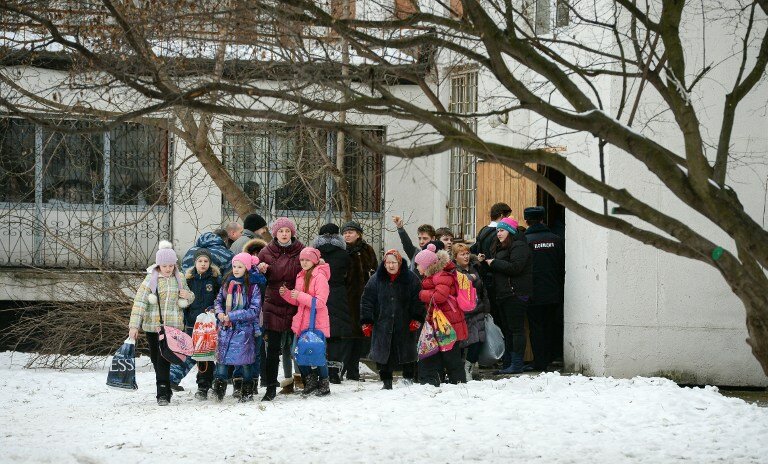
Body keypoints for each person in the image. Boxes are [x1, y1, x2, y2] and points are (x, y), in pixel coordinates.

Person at [128, 240, 194, 406]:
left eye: (171, 265)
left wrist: (188, 296)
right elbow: (139, 303)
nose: (168, 268)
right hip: (152, 327)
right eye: (165, 265)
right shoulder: (151, 280)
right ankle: (165, 386)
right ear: (158, 265)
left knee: (164, 359)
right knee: (156, 358)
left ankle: (162, 394)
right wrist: (134, 326)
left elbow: (189, 297)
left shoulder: (179, 278)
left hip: (172, 328)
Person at [360, 249, 424, 389]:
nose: (390, 266)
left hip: (405, 324)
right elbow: (367, 300)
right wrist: (367, 321)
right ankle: (386, 382)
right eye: (387, 262)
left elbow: (418, 300)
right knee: (384, 354)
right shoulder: (376, 279)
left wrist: (416, 318)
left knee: (407, 352)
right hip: (382, 323)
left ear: (399, 263)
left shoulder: (411, 278)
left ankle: (408, 379)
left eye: (393, 262)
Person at [257, 217, 305, 401]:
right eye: (280, 231)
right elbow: (257, 278)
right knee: (273, 347)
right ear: (275, 233)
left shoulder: (301, 250)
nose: (284, 234)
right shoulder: (266, 251)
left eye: (287, 231)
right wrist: (261, 270)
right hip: (274, 301)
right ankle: (270, 386)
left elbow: (311, 269)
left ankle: (306, 380)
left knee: (300, 345)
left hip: (295, 300)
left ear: (292, 233)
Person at [482, 217, 532, 374]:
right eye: (497, 230)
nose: (498, 233)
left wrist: (494, 263)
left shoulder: (519, 246)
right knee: (508, 330)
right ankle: (508, 362)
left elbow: (516, 267)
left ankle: (516, 364)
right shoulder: (500, 248)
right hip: (503, 294)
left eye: (502, 230)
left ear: (510, 231)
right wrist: (486, 262)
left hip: (515, 294)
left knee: (516, 330)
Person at [280, 247, 332, 396]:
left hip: (316, 323)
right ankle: (310, 381)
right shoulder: (300, 276)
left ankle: (324, 382)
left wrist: (300, 295)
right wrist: (287, 294)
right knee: (296, 353)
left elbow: (321, 302)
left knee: (317, 354)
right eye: (302, 259)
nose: (304, 262)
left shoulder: (320, 276)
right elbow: (298, 301)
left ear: (314, 261)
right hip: (302, 323)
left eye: (307, 259)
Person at [169, 248, 221, 399]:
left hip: (209, 325)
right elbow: (183, 302)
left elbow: (220, 299)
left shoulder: (215, 279)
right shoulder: (188, 280)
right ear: (195, 263)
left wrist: (214, 310)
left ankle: (204, 386)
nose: (203, 264)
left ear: (210, 263)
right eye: (200, 261)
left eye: (206, 261)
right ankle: (175, 379)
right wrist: (185, 319)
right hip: (193, 324)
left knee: (206, 354)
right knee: (191, 354)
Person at [414, 243, 467, 386]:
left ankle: (459, 382)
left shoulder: (440, 275)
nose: (417, 268)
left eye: (418, 265)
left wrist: (421, 294)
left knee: (451, 355)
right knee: (442, 354)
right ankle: (441, 381)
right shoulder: (433, 276)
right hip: (441, 323)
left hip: (449, 323)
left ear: (427, 265)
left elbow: (439, 297)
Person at [211, 253, 262, 402]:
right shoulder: (227, 283)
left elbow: (254, 310)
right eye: (234, 266)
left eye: (240, 267)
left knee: (245, 362)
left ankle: (247, 390)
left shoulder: (252, 286)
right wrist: (219, 313)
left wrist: (232, 315)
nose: (236, 269)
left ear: (246, 268)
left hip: (244, 330)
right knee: (221, 361)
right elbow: (218, 300)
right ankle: (219, 389)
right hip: (226, 329)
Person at [523, 206, 565, 372]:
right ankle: (552, 357)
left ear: (527, 221)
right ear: (542, 219)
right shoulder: (556, 239)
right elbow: (562, 265)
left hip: (533, 292)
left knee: (536, 327)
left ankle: (540, 362)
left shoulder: (525, 240)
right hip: (554, 291)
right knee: (551, 325)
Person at [312, 223, 350, 384]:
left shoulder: (314, 255)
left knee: (317, 334)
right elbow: (349, 277)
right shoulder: (344, 254)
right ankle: (334, 372)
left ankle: (318, 370)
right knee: (335, 334)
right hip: (338, 295)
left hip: (318, 295)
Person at [341, 220, 378, 381]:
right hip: (345, 299)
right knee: (346, 336)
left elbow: (375, 271)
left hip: (363, 299)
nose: (347, 235)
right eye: (345, 232)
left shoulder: (367, 250)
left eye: (350, 232)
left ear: (358, 234)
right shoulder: (341, 250)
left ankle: (353, 371)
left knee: (359, 336)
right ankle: (342, 368)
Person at [452, 242, 491, 380]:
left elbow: (482, 289)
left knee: (478, 340)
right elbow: (454, 285)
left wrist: (486, 307)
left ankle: (469, 367)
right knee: (461, 342)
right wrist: (469, 279)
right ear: (455, 257)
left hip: (478, 309)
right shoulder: (453, 270)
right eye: (462, 254)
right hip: (462, 311)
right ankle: (459, 370)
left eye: (467, 253)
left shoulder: (475, 267)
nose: (466, 256)